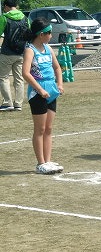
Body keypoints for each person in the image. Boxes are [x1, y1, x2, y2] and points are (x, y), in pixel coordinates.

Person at [21, 18, 64, 174]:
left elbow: (57, 68)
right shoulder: (30, 50)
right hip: (38, 93)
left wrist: (60, 84)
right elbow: (25, 73)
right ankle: (41, 163)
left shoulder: (48, 48)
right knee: (40, 129)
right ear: (40, 34)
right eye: (48, 33)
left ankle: (48, 160)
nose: (50, 35)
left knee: (49, 128)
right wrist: (39, 89)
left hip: (51, 91)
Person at [0, 0, 28, 112]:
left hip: (7, 52)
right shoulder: (25, 18)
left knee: (3, 77)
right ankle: (18, 104)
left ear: (6, 6)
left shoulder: (4, 17)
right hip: (21, 52)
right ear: (16, 6)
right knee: (19, 79)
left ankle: (7, 102)